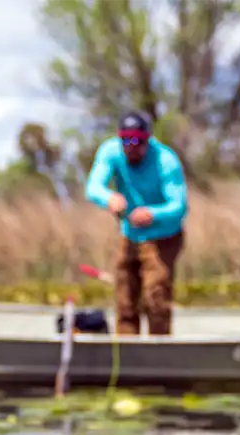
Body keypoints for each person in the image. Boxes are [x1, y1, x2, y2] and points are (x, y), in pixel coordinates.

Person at [85, 111, 188, 336]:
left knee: (155, 298)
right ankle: (126, 349)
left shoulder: (165, 160)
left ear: (147, 139)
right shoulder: (110, 151)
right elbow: (93, 187)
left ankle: (159, 349)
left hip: (163, 236)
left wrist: (153, 214)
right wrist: (109, 198)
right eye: (126, 140)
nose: (131, 146)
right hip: (129, 234)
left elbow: (179, 206)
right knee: (125, 298)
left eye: (138, 141)